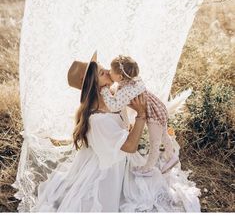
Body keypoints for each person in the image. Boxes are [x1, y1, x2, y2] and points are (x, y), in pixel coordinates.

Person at [32, 52, 201, 212]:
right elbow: (129, 147)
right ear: (93, 83)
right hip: (109, 170)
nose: (107, 71)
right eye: (101, 72)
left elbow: (125, 124)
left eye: (103, 67)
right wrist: (141, 115)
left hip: (120, 155)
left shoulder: (114, 96)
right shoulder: (97, 119)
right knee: (142, 199)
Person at [100, 55, 179, 176]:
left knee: (155, 141)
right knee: (163, 133)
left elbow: (114, 106)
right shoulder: (133, 81)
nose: (108, 72)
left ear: (120, 77)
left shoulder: (127, 91)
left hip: (153, 114)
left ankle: (148, 167)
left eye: (111, 71)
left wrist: (105, 91)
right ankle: (171, 155)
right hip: (158, 108)